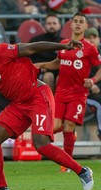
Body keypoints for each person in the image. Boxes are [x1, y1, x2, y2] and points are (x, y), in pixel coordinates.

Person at [0, 34, 94, 190]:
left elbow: (33, 47)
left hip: (37, 95)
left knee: (41, 145)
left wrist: (63, 46)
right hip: (18, 104)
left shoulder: (0, 51)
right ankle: (2, 189)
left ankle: (83, 172)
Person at [36, 13, 101, 172]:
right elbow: (57, 63)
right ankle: (68, 137)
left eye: (81, 22)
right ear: (70, 26)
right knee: (57, 126)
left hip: (78, 94)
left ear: (85, 27)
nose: (78, 24)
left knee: (68, 126)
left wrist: (92, 80)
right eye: (76, 21)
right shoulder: (63, 44)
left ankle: (66, 165)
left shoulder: (90, 49)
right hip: (61, 93)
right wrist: (42, 65)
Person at [29, 14, 63, 93]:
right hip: (41, 72)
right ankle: (49, 103)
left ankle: (60, 103)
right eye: (49, 23)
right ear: (44, 26)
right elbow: (29, 59)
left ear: (59, 26)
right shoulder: (36, 41)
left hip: (59, 71)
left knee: (61, 77)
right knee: (49, 76)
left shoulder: (63, 42)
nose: (52, 26)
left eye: (54, 23)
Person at [84, 27, 101, 140]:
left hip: (97, 92)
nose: (91, 40)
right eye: (88, 37)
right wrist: (91, 88)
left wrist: (97, 86)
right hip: (84, 95)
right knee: (100, 103)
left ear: (99, 39)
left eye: (94, 37)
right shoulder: (81, 56)